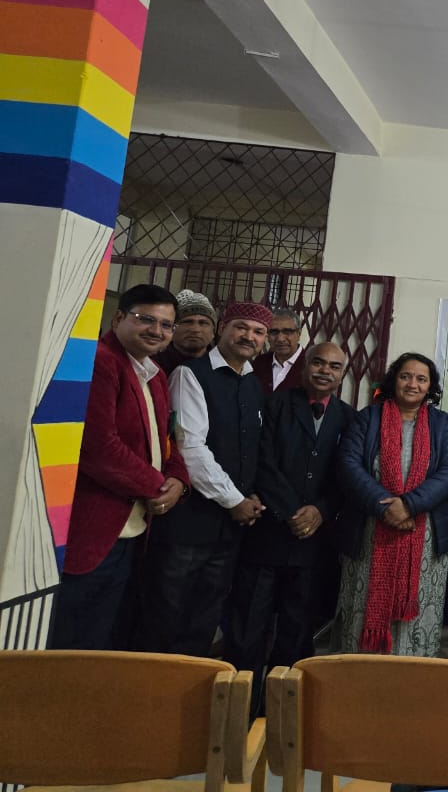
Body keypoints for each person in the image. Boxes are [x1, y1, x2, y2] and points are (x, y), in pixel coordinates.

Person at [49, 284, 188, 649]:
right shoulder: (101, 361)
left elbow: (166, 439)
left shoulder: (155, 374)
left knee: (103, 637)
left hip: (133, 529)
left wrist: (178, 479)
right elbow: (99, 448)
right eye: (146, 319)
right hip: (94, 527)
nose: (156, 331)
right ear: (118, 318)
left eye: (166, 325)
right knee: (71, 641)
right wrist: (158, 486)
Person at [136, 301, 271, 655]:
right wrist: (235, 500)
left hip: (228, 530)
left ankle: (191, 686)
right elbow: (190, 448)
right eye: (241, 327)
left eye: (258, 332)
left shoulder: (252, 383)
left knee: (204, 618)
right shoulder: (190, 375)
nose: (249, 337)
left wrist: (252, 495)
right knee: (165, 616)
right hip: (188, 524)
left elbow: (251, 449)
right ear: (222, 328)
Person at [225, 342, 355, 706]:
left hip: (314, 544)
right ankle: (240, 709)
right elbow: (260, 462)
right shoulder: (274, 405)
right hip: (267, 534)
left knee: (297, 632)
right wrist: (294, 511)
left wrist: (321, 511)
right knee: (249, 628)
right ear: (305, 366)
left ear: (342, 374)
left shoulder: (349, 418)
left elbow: (347, 474)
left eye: (334, 366)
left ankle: (281, 712)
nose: (325, 371)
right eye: (318, 363)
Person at [335, 353, 448, 656]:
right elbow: (349, 465)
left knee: (419, 607)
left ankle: (413, 673)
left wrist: (408, 506)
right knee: (363, 605)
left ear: (430, 387)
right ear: (394, 380)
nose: (412, 384)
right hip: (370, 529)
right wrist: (385, 507)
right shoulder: (368, 418)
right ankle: (360, 671)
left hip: (425, 534)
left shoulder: (443, 424)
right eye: (406, 376)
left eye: (421, 379)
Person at [155, 289, 215, 375]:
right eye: (187, 322)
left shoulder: (222, 367)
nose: (195, 329)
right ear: (172, 328)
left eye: (203, 323)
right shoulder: (154, 365)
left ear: (213, 331)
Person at [252, 308, 306, 394]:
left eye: (287, 332)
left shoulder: (310, 365)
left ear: (299, 334)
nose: (280, 339)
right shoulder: (259, 362)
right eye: (274, 332)